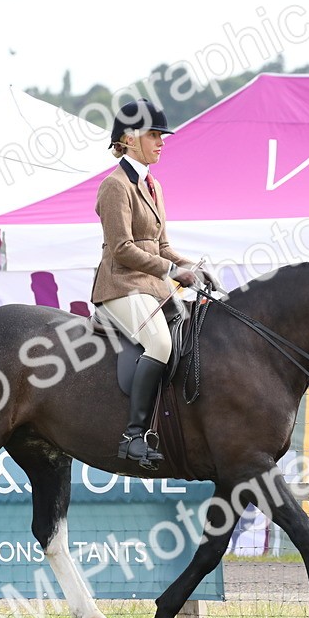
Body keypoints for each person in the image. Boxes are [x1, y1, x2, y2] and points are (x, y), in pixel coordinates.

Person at [91, 99, 222, 468]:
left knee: (190, 334)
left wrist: (193, 267)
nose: (161, 142)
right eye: (154, 135)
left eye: (161, 135)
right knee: (161, 343)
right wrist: (169, 271)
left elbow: (162, 245)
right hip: (120, 286)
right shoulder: (114, 186)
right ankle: (132, 436)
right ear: (130, 139)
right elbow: (121, 249)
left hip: (151, 287)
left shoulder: (153, 185)